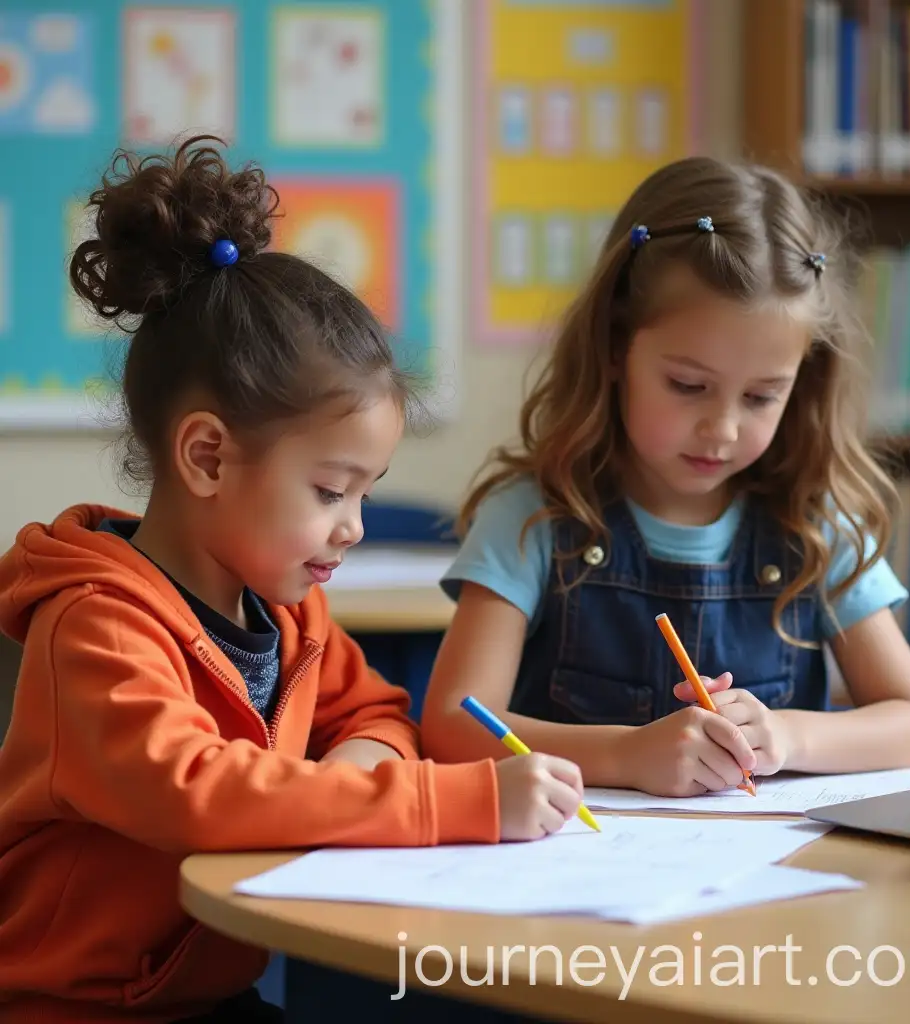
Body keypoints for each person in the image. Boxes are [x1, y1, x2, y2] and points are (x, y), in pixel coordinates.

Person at [0, 136, 584, 1023]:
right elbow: (201, 791)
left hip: (209, 991)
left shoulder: (286, 606)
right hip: (78, 1007)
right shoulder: (95, 628)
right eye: (328, 490)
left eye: (365, 493)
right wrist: (452, 798)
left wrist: (358, 766)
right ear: (207, 457)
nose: (350, 525)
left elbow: (379, 709)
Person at [420, 155, 910, 798]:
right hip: (566, 874)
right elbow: (451, 726)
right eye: (688, 386)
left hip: (765, 884)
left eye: (760, 397)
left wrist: (788, 736)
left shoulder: (812, 526)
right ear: (616, 350)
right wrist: (625, 754)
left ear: (801, 385)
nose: (722, 428)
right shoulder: (531, 516)